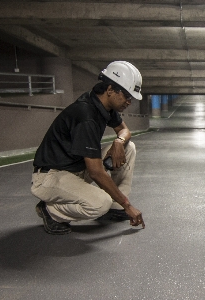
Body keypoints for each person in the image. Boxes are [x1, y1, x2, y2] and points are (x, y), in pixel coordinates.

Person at [31, 61, 145, 234]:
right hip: (51, 176)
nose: (129, 101)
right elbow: (96, 172)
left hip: (76, 169)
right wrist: (127, 205)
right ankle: (51, 211)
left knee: (129, 148)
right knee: (100, 204)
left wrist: (119, 142)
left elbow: (124, 130)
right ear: (110, 90)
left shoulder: (103, 106)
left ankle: (115, 205)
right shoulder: (86, 116)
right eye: (127, 96)